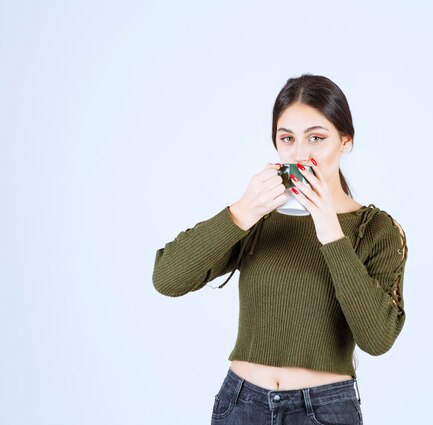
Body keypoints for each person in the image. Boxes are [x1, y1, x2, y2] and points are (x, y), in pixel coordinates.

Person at [152, 74, 408, 425]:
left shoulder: (376, 230)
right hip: (241, 405)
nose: (300, 153)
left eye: (316, 138)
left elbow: (377, 339)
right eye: (287, 139)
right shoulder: (255, 217)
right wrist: (241, 212)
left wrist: (331, 233)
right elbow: (167, 279)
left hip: (325, 410)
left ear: (345, 140)